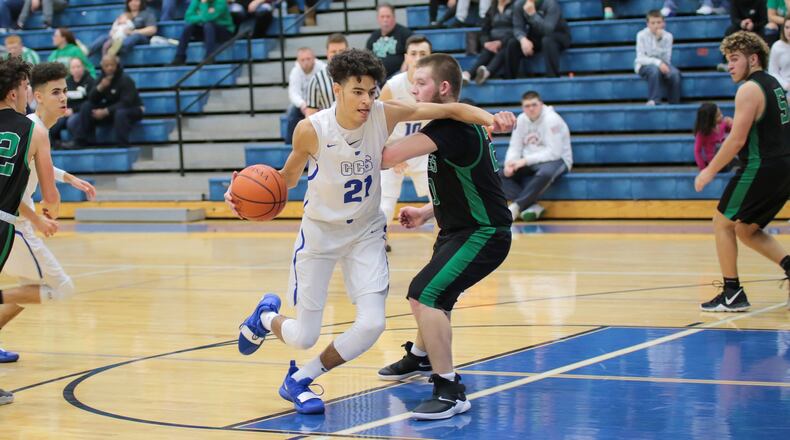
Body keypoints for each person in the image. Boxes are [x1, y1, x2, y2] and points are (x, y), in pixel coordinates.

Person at [226, 48, 509, 415]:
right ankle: (265, 317)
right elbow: (285, 179)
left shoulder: (385, 113)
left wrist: (493, 119)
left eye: (372, 91)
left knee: (373, 324)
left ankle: (301, 379)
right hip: (320, 237)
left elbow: (452, 110)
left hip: (366, 233)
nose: (367, 99)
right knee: (304, 335)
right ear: (338, 89)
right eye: (358, 91)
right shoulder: (311, 129)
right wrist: (241, 194)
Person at [377, 53, 515, 420]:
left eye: (420, 83)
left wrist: (355, 123)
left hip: (483, 233)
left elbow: (386, 157)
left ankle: (450, 389)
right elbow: (470, 187)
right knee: (436, 293)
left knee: (426, 293)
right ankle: (421, 358)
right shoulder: (446, 129)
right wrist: (425, 212)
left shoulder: (451, 129)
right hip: (459, 228)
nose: (413, 90)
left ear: (443, 88)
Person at [0, 62, 96, 363]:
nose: (64, 97)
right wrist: (42, 215)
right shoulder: (31, 127)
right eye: (56, 92)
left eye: (66, 91)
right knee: (54, 287)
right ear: (35, 96)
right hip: (14, 221)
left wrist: (68, 177)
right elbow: (18, 188)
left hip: (15, 217)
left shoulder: (27, 127)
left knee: (33, 287)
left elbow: (28, 166)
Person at [694, 31, 790, 312]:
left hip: (761, 166)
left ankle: (732, 292)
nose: (731, 66)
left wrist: (709, 170)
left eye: (735, 59)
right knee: (746, 229)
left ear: (754, 58)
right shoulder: (773, 84)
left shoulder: (748, 89)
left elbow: (736, 140)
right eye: (728, 60)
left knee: (721, 223)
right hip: (783, 167)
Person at [0, 57, 61, 365]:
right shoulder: (34, 131)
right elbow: (49, 195)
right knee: (47, 287)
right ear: (14, 94)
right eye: (25, 87)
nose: (27, 93)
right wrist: (49, 212)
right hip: (2, 224)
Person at [379, 35, 432, 252]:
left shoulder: (436, 87)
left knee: (442, 198)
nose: (418, 58)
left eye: (423, 54)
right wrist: (387, 152)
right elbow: (376, 125)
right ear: (406, 58)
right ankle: (377, 243)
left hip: (422, 150)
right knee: (385, 203)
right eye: (414, 54)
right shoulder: (392, 87)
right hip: (393, 149)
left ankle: (446, 241)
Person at [500, 90, 571, 222]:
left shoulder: (552, 119)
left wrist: (525, 161)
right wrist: (510, 162)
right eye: (527, 106)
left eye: (534, 105)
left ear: (541, 104)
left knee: (545, 173)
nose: (531, 109)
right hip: (530, 161)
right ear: (523, 107)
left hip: (559, 160)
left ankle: (516, 207)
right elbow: (515, 146)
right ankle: (532, 206)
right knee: (498, 173)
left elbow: (554, 152)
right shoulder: (521, 119)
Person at [72, 55, 143, 148]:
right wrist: (100, 88)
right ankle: (84, 142)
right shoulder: (101, 79)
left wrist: (106, 111)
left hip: (132, 109)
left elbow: (126, 103)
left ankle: (123, 145)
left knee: (120, 113)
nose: (109, 68)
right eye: (106, 66)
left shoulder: (125, 79)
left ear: (116, 65)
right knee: (86, 106)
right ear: (102, 67)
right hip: (111, 110)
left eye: (112, 65)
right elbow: (92, 99)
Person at [507, 0, 571, 78]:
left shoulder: (550, 3)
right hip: (537, 37)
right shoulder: (519, 4)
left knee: (547, 40)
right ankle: (509, 80)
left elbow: (548, 30)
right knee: (512, 43)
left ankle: (552, 78)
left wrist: (533, 14)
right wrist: (523, 39)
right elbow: (517, 27)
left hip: (558, 34)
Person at [461, 0, 514, 85]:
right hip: (492, 42)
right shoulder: (492, 8)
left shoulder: (515, 6)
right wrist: (486, 43)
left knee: (504, 49)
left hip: (508, 41)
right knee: (487, 50)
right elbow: (485, 29)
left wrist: (501, 42)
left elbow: (517, 29)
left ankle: (487, 72)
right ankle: (469, 74)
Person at [635, 10, 682, 105]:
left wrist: (659, 40)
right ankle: (654, 100)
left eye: (659, 22)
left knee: (675, 74)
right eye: (653, 23)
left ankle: (674, 104)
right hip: (644, 65)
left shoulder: (668, 36)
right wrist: (658, 63)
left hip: (664, 63)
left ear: (664, 23)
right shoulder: (641, 35)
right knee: (654, 71)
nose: (656, 25)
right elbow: (641, 58)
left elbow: (666, 58)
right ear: (647, 24)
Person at [170, 0, 235, 65]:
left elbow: (209, 18)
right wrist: (206, 13)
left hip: (224, 31)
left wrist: (203, 5)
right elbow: (188, 17)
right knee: (189, 26)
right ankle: (179, 57)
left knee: (208, 25)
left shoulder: (220, 1)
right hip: (207, 31)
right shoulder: (196, 1)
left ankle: (209, 57)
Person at [88, 0, 158, 59]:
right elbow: (115, 26)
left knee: (135, 36)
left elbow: (152, 29)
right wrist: (112, 32)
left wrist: (134, 32)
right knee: (104, 37)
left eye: (136, 0)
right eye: (131, 1)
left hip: (140, 38)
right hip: (121, 36)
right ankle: (87, 52)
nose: (133, 3)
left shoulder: (147, 14)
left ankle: (118, 48)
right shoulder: (124, 14)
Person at [284, 47, 324, 144]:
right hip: (303, 105)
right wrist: (303, 104)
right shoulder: (295, 72)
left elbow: (326, 90)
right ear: (298, 61)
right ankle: (290, 145)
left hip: (320, 104)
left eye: (308, 59)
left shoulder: (323, 68)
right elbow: (293, 93)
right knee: (291, 112)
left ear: (314, 58)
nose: (306, 62)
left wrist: (318, 104)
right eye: (302, 60)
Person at [366, 3, 413, 80]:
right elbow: (366, 58)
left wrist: (405, 67)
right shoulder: (373, 37)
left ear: (394, 17)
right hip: (376, 78)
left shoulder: (405, 34)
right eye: (382, 17)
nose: (385, 19)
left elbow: (413, 52)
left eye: (388, 16)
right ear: (378, 18)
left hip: (398, 77)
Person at [304, 33, 347, 116]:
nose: (337, 55)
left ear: (348, 51)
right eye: (333, 52)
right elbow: (310, 115)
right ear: (327, 53)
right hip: (329, 127)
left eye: (341, 51)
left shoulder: (358, 74)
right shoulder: (316, 80)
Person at [694, 102, 733, 170]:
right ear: (709, 120)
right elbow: (697, 151)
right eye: (718, 116)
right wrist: (703, 168)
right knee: (720, 146)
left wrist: (731, 123)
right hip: (714, 163)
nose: (722, 116)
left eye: (721, 113)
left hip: (725, 159)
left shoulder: (721, 125)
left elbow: (735, 131)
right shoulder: (702, 134)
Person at [769, 14, 790, 91]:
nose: (789, 31)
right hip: (784, 89)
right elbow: (772, 72)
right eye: (787, 27)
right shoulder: (777, 46)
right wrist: (786, 85)